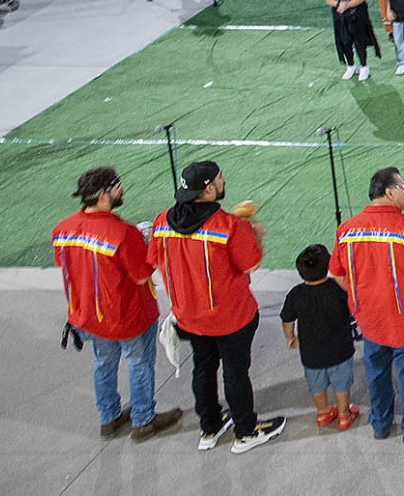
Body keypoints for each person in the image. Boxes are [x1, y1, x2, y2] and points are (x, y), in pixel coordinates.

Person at [150, 159, 285, 454]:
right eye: (221, 179)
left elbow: (154, 259)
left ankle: (209, 427)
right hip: (230, 315)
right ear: (209, 189)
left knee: (203, 367)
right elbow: (250, 263)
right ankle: (245, 431)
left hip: (189, 315)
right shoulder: (228, 226)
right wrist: (256, 235)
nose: (224, 182)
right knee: (236, 373)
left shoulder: (162, 222)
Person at [53, 167, 181, 441]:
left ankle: (109, 418)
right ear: (103, 195)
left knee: (103, 364)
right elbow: (141, 276)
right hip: (128, 316)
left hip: (90, 317)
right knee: (140, 364)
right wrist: (145, 243)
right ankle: (143, 420)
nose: (122, 189)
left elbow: (64, 263)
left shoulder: (62, 230)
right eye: (117, 186)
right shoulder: (122, 233)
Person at [282, 243, 359, 433]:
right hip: (339, 349)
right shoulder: (337, 289)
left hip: (311, 352)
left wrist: (290, 337)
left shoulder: (296, 294)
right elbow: (354, 307)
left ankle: (323, 412)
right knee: (342, 383)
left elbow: (287, 318)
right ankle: (343, 415)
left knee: (316, 384)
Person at [325, 0, 380, 82]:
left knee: (359, 42)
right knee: (345, 42)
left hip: (357, 17)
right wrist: (339, 5)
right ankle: (351, 65)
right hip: (340, 18)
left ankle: (364, 66)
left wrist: (347, 5)